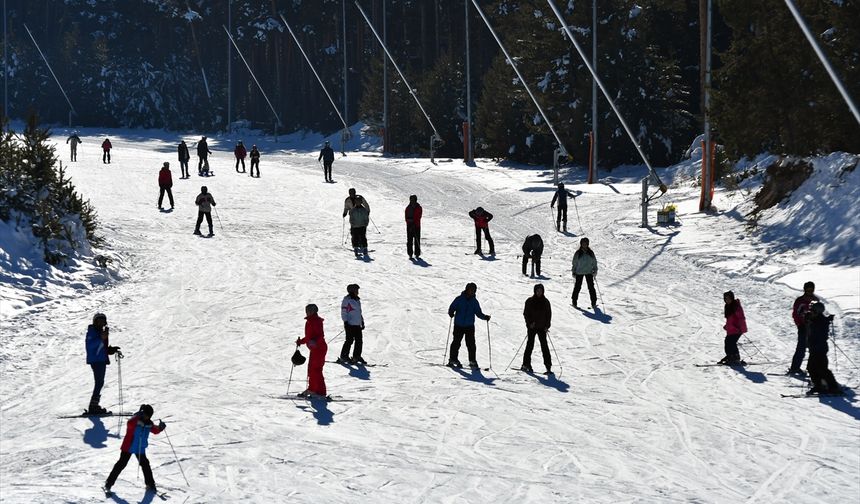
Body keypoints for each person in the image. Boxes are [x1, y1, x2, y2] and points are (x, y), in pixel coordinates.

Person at [104, 404, 166, 495]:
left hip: (140, 448)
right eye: (145, 415)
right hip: (128, 447)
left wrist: (160, 428)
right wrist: (138, 418)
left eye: (148, 416)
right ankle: (108, 483)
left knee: (145, 464)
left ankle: (150, 484)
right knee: (121, 464)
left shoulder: (149, 423)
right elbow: (129, 423)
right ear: (141, 413)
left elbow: (154, 430)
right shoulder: (135, 420)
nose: (146, 417)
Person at [447, 282, 491, 369]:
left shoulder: (474, 302)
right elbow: (452, 307)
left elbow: (478, 313)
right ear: (467, 289)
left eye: (474, 290)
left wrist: (484, 317)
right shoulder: (459, 299)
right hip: (459, 325)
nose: (472, 292)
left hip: (469, 326)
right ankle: (453, 359)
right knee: (456, 342)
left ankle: (472, 361)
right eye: (471, 290)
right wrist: (451, 312)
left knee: (471, 344)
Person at [85, 313, 121, 414]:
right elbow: (91, 345)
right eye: (99, 321)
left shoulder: (100, 332)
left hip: (100, 360)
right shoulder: (92, 332)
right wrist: (102, 337)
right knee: (99, 382)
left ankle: (94, 405)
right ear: (95, 322)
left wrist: (110, 350)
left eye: (103, 321)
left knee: (100, 382)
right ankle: (93, 406)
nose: (101, 323)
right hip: (97, 361)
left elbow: (100, 347)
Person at [805, 302, 841, 395]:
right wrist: (809, 319)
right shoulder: (816, 319)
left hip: (819, 348)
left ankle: (833, 387)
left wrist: (811, 320)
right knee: (811, 368)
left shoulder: (820, 321)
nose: (811, 312)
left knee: (822, 369)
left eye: (813, 310)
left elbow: (818, 330)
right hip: (814, 348)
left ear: (818, 311)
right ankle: (818, 386)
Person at [296, 304, 328, 397]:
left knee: (316, 370)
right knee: (312, 370)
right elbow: (309, 337)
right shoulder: (310, 321)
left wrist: (315, 342)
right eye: (307, 310)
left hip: (319, 349)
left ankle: (318, 391)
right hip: (315, 349)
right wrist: (301, 341)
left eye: (310, 310)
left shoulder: (316, 321)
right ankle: (313, 389)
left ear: (314, 311)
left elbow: (320, 335)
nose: (308, 312)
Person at [788, 281, 818, 375]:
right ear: (804, 290)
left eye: (811, 290)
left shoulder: (815, 300)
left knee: (814, 349)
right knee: (801, 348)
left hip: (813, 328)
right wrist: (800, 324)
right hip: (803, 327)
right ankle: (794, 368)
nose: (809, 291)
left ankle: (812, 369)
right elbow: (795, 314)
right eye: (808, 290)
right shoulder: (800, 300)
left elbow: (819, 312)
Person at [522, 284, 552, 374]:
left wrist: (547, 326)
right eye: (538, 291)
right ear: (535, 291)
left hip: (542, 328)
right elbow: (526, 314)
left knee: (544, 347)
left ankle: (548, 366)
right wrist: (529, 324)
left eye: (541, 291)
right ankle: (526, 364)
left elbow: (548, 315)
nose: (539, 292)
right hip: (532, 327)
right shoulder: (529, 301)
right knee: (530, 345)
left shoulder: (546, 302)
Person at [338, 284, 366, 365]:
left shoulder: (357, 300)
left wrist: (362, 321)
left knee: (359, 341)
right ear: (352, 291)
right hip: (350, 324)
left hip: (357, 324)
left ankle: (356, 356)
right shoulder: (347, 300)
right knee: (349, 340)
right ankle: (344, 356)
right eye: (356, 290)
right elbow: (344, 311)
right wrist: (345, 322)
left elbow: (359, 312)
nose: (358, 292)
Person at [718, 291, 747, 365]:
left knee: (731, 343)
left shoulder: (736, 306)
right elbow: (730, 319)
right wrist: (727, 326)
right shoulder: (727, 306)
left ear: (732, 298)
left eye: (729, 298)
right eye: (725, 299)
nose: (727, 300)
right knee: (727, 342)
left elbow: (741, 318)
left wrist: (740, 328)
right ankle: (730, 356)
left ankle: (736, 358)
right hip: (731, 329)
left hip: (737, 329)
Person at [571, 237, 598, 309]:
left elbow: (594, 262)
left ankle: (594, 302)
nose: (584, 245)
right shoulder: (578, 253)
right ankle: (574, 301)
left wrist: (595, 270)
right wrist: (573, 271)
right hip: (579, 272)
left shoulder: (591, 253)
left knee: (591, 287)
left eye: (586, 243)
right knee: (577, 287)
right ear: (581, 244)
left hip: (589, 272)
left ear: (588, 244)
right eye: (583, 243)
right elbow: (574, 263)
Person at [343, 188, 371, 257]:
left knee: (362, 233)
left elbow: (366, 204)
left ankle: (361, 243)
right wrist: (345, 213)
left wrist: (367, 211)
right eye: (351, 193)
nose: (352, 194)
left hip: (361, 214)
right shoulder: (348, 200)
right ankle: (355, 245)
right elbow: (346, 207)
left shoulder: (360, 198)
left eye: (353, 193)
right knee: (354, 232)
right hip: (353, 216)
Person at [405, 194, 422, 260]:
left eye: (413, 199)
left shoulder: (419, 207)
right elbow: (406, 217)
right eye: (411, 199)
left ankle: (417, 253)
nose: (412, 201)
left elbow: (419, 216)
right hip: (409, 226)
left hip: (417, 226)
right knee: (409, 240)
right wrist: (410, 223)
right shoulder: (408, 208)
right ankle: (410, 254)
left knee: (417, 239)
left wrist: (414, 223)